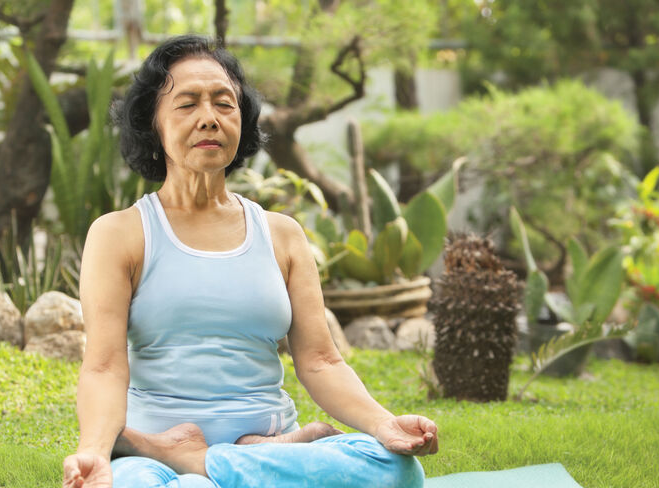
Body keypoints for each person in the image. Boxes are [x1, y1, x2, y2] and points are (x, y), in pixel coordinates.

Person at [62, 34, 438, 488]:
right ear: (153, 125)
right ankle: (181, 462)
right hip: (157, 458)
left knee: (397, 471)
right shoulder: (121, 233)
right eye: (187, 105)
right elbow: (103, 366)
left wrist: (383, 424)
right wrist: (95, 452)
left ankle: (197, 463)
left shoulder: (281, 235)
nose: (209, 119)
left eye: (224, 103)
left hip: (271, 443)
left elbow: (321, 361)